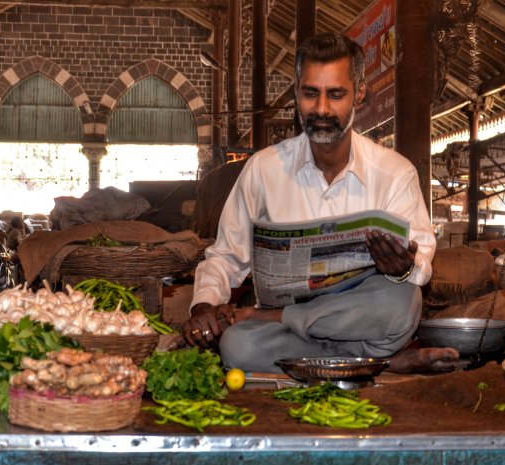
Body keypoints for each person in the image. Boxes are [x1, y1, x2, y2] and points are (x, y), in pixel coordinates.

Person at [183, 32, 459, 374]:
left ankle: (275, 324)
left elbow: (422, 265)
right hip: (288, 336)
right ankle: (381, 365)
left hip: (360, 326)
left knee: (403, 302)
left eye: (336, 94)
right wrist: (204, 304)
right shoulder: (265, 169)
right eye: (311, 93)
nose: (322, 109)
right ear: (297, 92)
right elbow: (225, 255)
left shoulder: (394, 172)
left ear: (359, 94)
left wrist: (402, 266)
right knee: (237, 346)